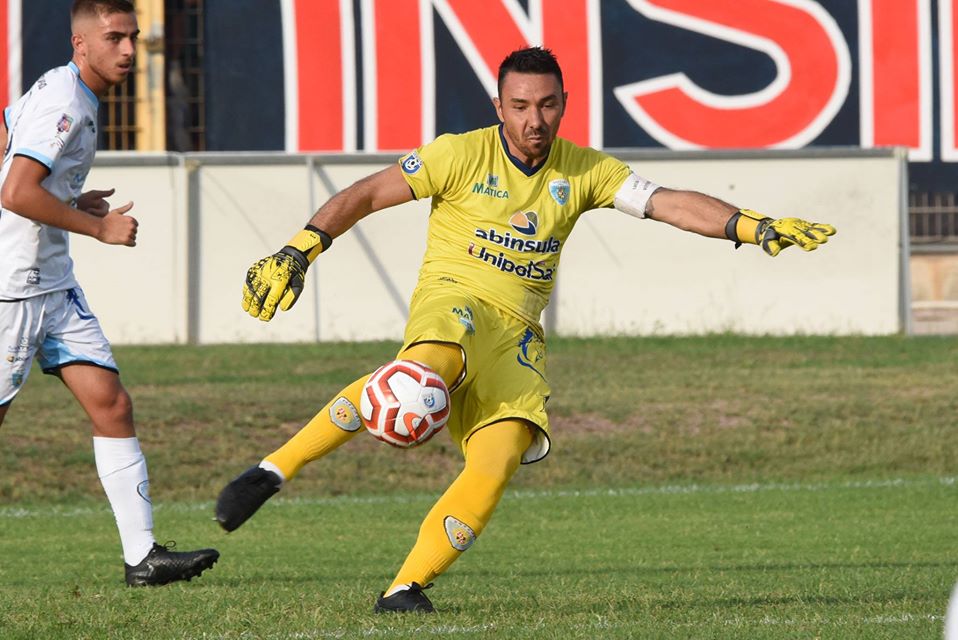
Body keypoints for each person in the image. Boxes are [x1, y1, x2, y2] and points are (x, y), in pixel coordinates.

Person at [216, 46, 835, 612]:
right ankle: (272, 471)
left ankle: (405, 589)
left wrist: (752, 226)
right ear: (498, 107)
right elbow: (368, 193)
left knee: (501, 453)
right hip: (454, 304)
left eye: (546, 105)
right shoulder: (459, 154)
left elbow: (668, 200)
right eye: (519, 106)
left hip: (518, 338)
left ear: (563, 105)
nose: (533, 119)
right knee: (427, 370)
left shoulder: (585, 170)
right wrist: (301, 250)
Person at [0, 0, 219, 586]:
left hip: (54, 282)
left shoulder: (61, 90)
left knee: (112, 404)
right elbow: (17, 193)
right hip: (16, 290)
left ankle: (142, 558)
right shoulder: (65, 102)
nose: (128, 50)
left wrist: (70, 204)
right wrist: (97, 226)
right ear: (81, 44)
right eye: (115, 38)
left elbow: (7, 142)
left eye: (133, 37)